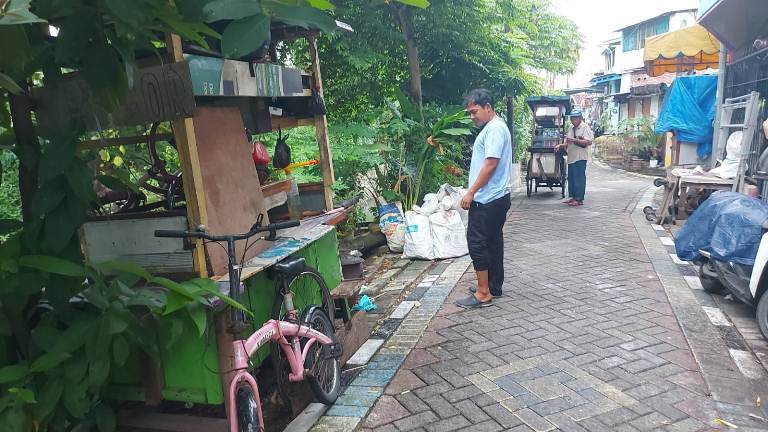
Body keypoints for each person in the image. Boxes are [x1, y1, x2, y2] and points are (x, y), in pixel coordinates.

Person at [455, 89, 513, 309]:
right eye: (470, 113)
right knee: (493, 242)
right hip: (496, 197)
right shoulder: (494, 127)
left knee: (477, 243)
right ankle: (493, 285)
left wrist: (471, 192)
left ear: (488, 106)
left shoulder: (495, 129)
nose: (472, 117)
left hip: (488, 199)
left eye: (474, 111)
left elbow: (490, 164)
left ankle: (483, 293)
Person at [557, 109, 594, 206]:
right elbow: (568, 141)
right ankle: (572, 197)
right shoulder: (571, 128)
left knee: (579, 178)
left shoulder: (585, 127)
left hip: (580, 157)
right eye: (572, 118)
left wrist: (574, 140)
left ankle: (579, 199)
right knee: (571, 178)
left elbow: (588, 142)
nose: (573, 120)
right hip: (571, 157)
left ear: (580, 118)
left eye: (575, 118)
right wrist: (561, 146)